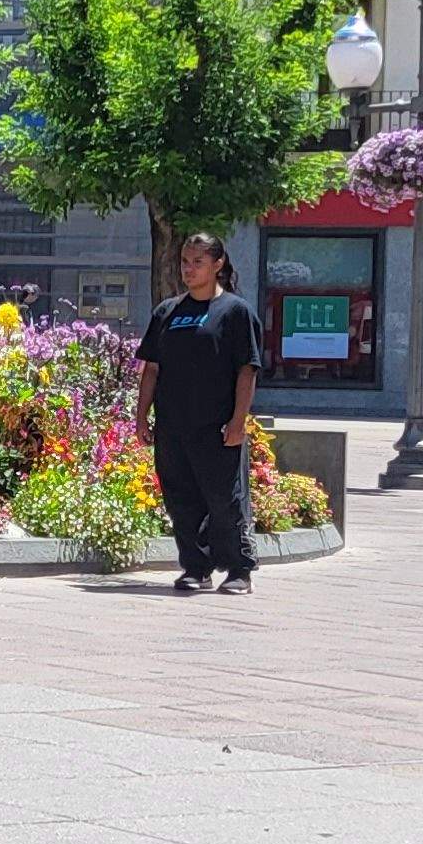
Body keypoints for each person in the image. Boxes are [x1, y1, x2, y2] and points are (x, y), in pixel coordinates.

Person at [135, 231, 262, 594]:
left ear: (218, 265)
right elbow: (152, 369)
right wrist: (142, 417)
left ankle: (239, 569)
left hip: (217, 426)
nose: (188, 269)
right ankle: (196, 568)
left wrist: (238, 421)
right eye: (185, 262)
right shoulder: (168, 312)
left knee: (225, 500)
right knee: (181, 500)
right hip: (173, 425)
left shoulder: (235, 312)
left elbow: (247, 370)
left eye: (198, 262)